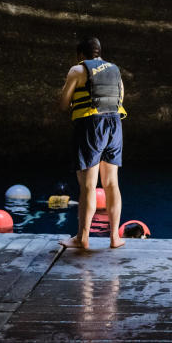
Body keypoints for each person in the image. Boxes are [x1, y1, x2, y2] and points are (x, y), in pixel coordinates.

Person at [58, 38, 127, 250]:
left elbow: (63, 103)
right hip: (114, 125)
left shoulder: (78, 70)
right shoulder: (115, 70)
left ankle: (82, 238)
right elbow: (121, 97)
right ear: (100, 52)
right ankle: (114, 238)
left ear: (81, 55)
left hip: (90, 125)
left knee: (88, 185)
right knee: (112, 183)